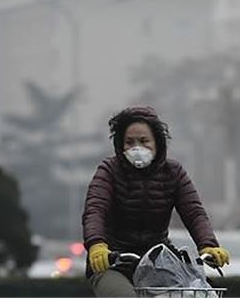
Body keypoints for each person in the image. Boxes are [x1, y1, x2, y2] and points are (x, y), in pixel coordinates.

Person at [82, 106, 230, 297]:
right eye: (129, 142)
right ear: (120, 145)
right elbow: (95, 209)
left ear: (158, 143)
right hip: (113, 262)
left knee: (199, 293)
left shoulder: (173, 172)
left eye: (144, 141)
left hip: (158, 262)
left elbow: (194, 212)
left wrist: (207, 244)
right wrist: (97, 245)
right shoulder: (109, 171)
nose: (137, 147)